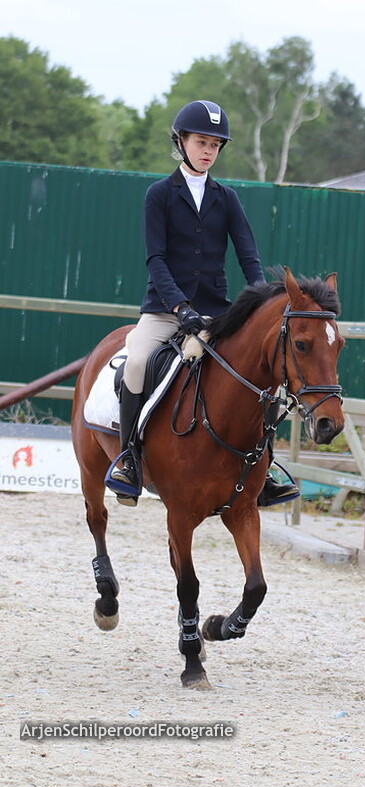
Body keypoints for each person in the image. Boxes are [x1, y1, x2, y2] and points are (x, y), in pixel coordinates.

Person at [107, 99, 299, 508]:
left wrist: (259, 300)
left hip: (215, 311)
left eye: (215, 144)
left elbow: (248, 254)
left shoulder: (226, 197)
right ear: (182, 142)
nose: (208, 150)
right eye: (201, 141)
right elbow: (155, 259)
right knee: (137, 363)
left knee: (256, 373)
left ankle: (265, 467)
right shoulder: (158, 194)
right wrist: (178, 307)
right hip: (163, 310)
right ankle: (129, 458)